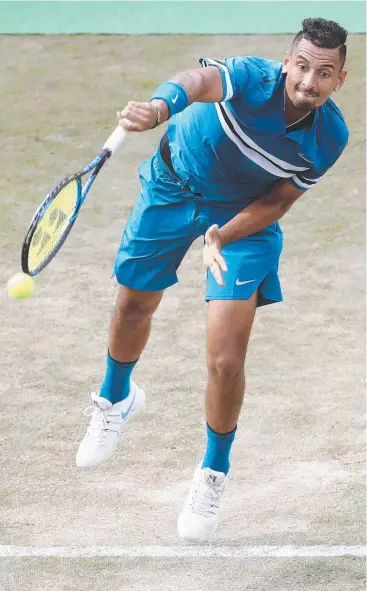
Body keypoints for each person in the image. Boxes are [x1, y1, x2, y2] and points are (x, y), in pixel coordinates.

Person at [76, 17, 349, 542]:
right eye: (301, 67)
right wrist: (161, 107)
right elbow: (198, 83)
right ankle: (115, 399)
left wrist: (225, 234)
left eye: (323, 73)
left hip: (243, 223)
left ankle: (212, 472)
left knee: (226, 360)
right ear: (286, 61)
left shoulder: (329, 137)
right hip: (173, 186)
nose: (307, 83)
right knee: (133, 305)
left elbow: (279, 200)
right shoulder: (250, 77)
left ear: (341, 79)